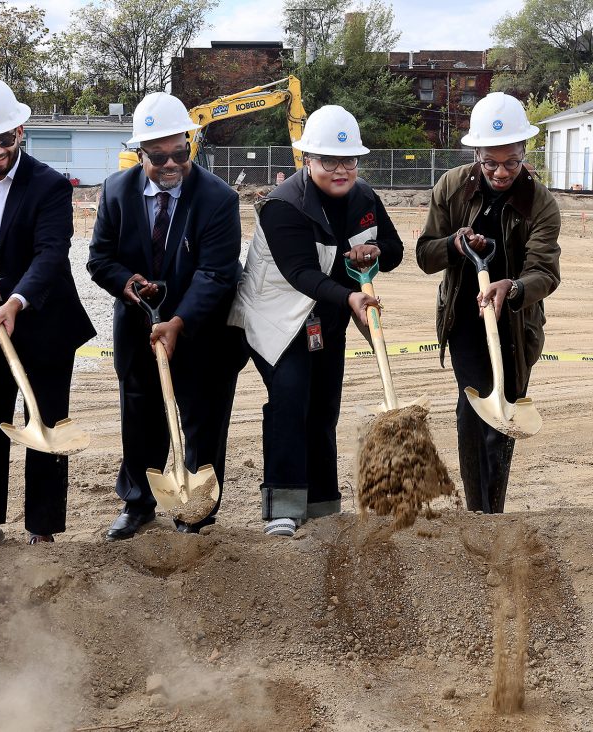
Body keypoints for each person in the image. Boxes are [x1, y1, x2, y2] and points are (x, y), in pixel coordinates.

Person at [0, 77, 95, 554]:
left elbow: (51, 253)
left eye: (4, 138)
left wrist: (15, 300)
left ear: (20, 131)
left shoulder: (49, 185)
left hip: (43, 323)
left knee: (45, 423)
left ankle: (42, 529)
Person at [229, 105, 403, 537]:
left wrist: (376, 251)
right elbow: (300, 273)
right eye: (328, 161)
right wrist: (351, 297)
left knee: (324, 406)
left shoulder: (364, 198)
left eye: (349, 161)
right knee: (290, 400)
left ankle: (323, 503)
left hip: (327, 315)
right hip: (276, 316)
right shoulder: (283, 205)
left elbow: (395, 248)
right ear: (308, 159)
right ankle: (283, 506)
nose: (341, 170)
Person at [88, 92, 243, 540]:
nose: (172, 163)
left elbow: (217, 273)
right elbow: (99, 258)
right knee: (140, 416)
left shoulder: (218, 198)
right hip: (138, 327)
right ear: (141, 153)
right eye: (159, 157)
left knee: (203, 421)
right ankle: (138, 503)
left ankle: (196, 511)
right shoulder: (116, 191)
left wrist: (179, 321)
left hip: (204, 330)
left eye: (181, 152)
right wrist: (126, 284)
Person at [416, 92, 560, 513]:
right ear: (476, 154)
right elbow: (425, 255)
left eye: (511, 162)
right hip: (464, 317)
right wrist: (455, 244)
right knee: (474, 408)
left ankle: (493, 510)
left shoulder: (541, 203)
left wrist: (511, 287)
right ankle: (478, 512)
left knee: (504, 416)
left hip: (515, 324)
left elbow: (545, 272)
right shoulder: (452, 187)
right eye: (490, 162)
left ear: (524, 152)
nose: (500, 172)